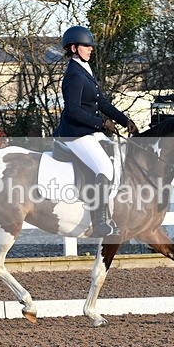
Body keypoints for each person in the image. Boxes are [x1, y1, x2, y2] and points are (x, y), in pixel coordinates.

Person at [53, 25, 138, 237]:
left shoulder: (85, 70)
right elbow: (72, 111)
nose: (91, 49)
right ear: (73, 48)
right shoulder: (74, 74)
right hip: (76, 134)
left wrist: (124, 120)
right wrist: (101, 124)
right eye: (86, 46)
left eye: (91, 46)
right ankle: (100, 222)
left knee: (117, 157)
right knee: (104, 169)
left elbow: (102, 102)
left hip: (88, 131)